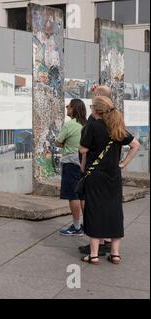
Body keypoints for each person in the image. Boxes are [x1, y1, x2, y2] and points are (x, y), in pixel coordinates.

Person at [79, 96, 140, 265]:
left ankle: (94, 255)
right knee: (114, 211)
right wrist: (123, 163)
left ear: (96, 110)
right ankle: (115, 253)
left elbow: (83, 149)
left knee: (94, 211)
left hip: (95, 176)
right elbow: (135, 145)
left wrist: (83, 166)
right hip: (113, 175)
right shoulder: (117, 127)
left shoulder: (92, 126)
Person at [78, 85, 114, 256]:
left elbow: (85, 147)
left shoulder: (95, 120)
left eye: (94, 95)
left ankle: (97, 244)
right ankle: (106, 241)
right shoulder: (113, 117)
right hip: (109, 170)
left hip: (93, 170)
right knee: (106, 205)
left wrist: (83, 165)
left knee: (93, 207)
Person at [55, 99, 87, 236]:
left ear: (73, 109)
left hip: (71, 162)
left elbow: (57, 141)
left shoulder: (70, 125)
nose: (67, 108)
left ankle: (76, 227)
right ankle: (89, 225)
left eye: (68, 106)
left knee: (73, 195)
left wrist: (65, 144)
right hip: (85, 161)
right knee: (84, 195)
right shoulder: (87, 124)